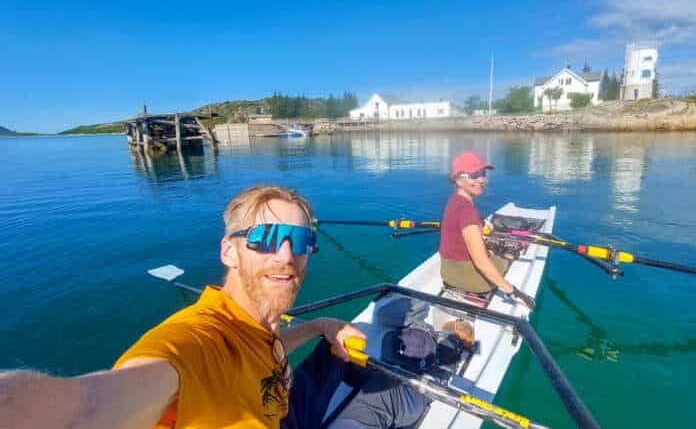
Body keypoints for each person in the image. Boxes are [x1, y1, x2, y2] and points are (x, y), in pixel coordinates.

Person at [0, 185, 428, 429]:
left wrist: (321, 325)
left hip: (280, 411)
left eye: (299, 241)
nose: (284, 255)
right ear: (228, 251)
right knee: (396, 399)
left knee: (339, 357)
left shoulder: (253, 324)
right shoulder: (196, 340)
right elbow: (83, 408)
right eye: (263, 238)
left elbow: (270, 340)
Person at [438, 152, 535, 308]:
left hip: (448, 273)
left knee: (489, 251)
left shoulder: (454, 201)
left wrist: (480, 226)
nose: (481, 179)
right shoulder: (467, 212)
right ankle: (508, 256)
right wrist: (513, 292)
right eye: (474, 175)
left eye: (482, 173)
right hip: (473, 281)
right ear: (457, 178)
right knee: (507, 255)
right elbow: (481, 262)